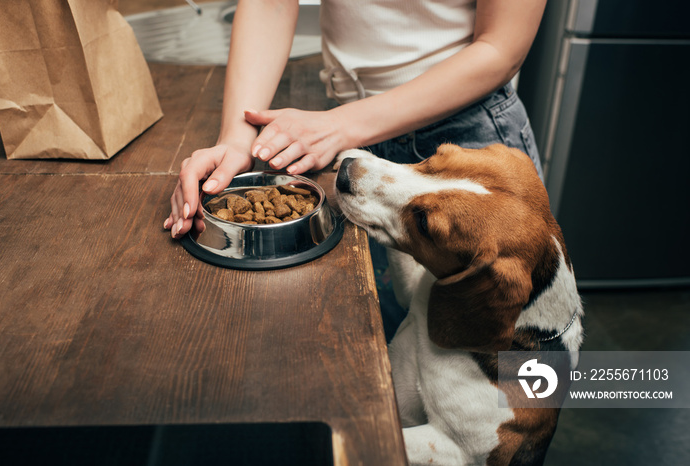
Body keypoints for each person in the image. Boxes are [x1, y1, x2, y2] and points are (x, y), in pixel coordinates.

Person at [164, 0, 547, 337]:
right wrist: (236, 138)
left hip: (460, 146)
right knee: (381, 353)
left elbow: (501, 46)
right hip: (351, 138)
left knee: (509, 376)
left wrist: (340, 125)